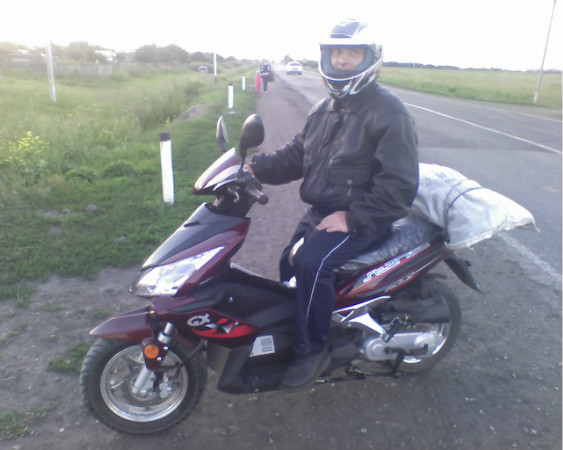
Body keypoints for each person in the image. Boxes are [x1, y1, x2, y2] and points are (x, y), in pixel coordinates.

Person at [248, 18, 419, 390]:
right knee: (289, 260)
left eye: (352, 53)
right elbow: (295, 156)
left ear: (371, 60)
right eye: (336, 52)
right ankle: (299, 324)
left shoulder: (390, 113)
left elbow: (400, 186)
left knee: (312, 263)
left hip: (363, 217)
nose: (342, 60)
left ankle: (313, 351)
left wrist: (353, 218)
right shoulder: (323, 109)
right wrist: (253, 168)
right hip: (322, 212)